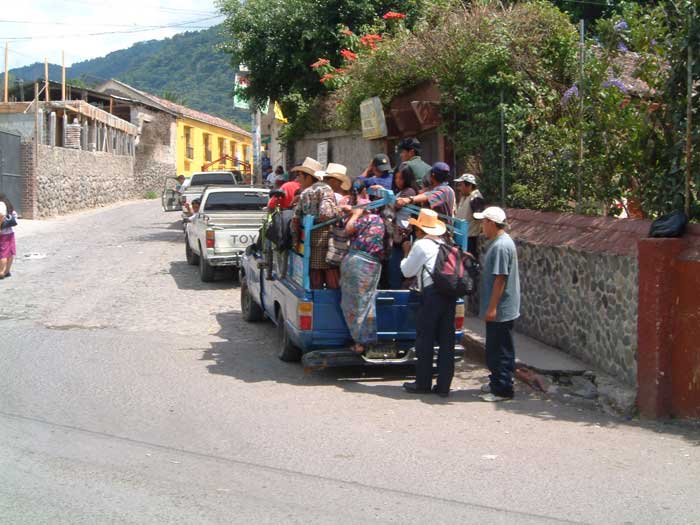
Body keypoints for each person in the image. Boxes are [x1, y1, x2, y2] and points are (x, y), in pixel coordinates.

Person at [400, 209, 455, 397]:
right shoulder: (444, 243)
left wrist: (406, 252)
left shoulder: (421, 245)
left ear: (419, 230)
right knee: (446, 342)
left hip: (431, 295)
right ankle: (443, 386)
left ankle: (422, 384)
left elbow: (407, 272)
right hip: (448, 294)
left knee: (425, 340)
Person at [474, 206, 520, 402]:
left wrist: (492, 308)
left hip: (500, 309)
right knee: (496, 347)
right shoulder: (500, 242)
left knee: (499, 349)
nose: (482, 226)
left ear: (492, 223)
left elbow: (500, 278)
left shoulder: (501, 246)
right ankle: (496, 382)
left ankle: (502, 389)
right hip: (500, 308)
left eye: (483, 222)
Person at [339, 188, 385, 355]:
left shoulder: (363, 219)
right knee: (367, 301)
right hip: (372, 265)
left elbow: (348, 230)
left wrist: (355, 214)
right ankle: (367, 339)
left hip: (358, 264)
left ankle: (360, 342)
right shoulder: (378, 219)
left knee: (354, 304)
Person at [292, 158, 339, 289]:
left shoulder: (305, 193)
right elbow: (327, 213)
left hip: (309, 242)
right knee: (331, 277)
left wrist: (295, 242)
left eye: (300, 176)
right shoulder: (326, 189)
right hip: (325, 241)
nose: (298, 179)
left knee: (314, 278)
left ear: (308, 177)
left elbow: (296, 218)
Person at [388, 164, 419, 289]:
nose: (398, 181)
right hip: (397, 237)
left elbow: (394, 207)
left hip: (403, 239)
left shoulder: (409, 192)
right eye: (396, 178)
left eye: (401, 178)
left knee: (396, 273)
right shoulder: (400, 192)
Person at [454, 173, 485, 257]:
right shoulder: (465, 197)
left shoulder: (475, 198)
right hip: (462, 236)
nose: (459, 188)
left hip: (470, 239)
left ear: (469, 186)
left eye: (461, 185)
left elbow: (479, 217)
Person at [0, 197, 17, 279]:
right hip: (11, 233)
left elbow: (1, 216)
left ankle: (1, 272)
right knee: (10, 253)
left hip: (2, 235)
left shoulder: (1, 206)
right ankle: (7, 271)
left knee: (2, 254)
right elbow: (15, 217)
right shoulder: (10, 209)